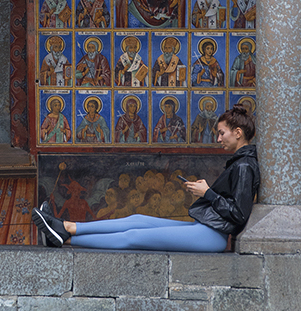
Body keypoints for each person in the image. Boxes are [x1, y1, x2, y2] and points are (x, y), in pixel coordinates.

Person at [33, 105, 259, 252]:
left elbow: (239, 213)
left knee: (134, 236)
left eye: (221, 133)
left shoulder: (244, 166)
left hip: (214, 236)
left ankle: (64, 238)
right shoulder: (239, 163)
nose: (218, 139)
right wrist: (206, 192)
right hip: (206, 227)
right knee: (137, 219)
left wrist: (207, 193)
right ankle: (68, 226)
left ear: (238, 133)